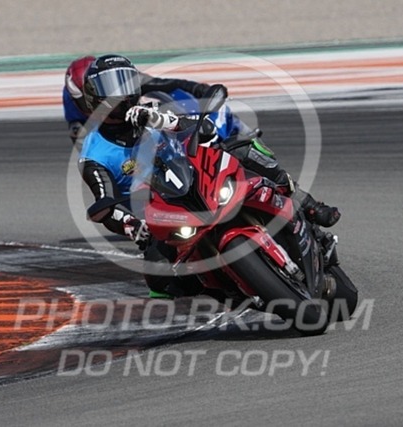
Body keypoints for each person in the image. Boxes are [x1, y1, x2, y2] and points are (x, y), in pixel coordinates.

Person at [79, 54, 340, 298]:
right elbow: (105, 203)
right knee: (160, 279)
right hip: (162, 213)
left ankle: (309, 205)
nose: (123, 93)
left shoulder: (152, 107)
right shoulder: (93, 154)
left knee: (243, 149)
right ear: (94, 97)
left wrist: (159, 120)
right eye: (112, 86)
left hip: (198, 176)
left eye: (126, 82)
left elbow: (204, 128)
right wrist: (132, 225)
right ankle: (229, 293)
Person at [63, 55, 214, 146]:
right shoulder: (74, 112)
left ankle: (187, 122)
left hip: (139, 112)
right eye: (84, 100)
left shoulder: (121, 79)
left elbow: (164, 83)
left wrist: (198, 89)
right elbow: (85, 155)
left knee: (161, 91)